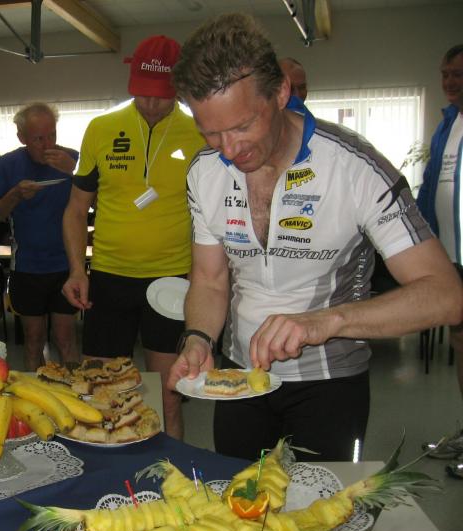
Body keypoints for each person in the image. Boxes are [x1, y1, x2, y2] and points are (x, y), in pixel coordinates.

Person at [168, 14, 463, 461]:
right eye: (210, 132)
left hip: (331, 381)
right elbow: (209, 280)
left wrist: (325, 322)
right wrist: (198, 339)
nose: (228, 149)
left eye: (243, 126)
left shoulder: (355, 168)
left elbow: (446, 295)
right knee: (237, 498)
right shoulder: (203, 172)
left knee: (325, 504)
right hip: (240, 379)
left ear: (281, 92)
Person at [62, 36, 206, 439]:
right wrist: (77, 270)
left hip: (172, 279)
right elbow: (76, 209)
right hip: (110, 278)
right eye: (143, 93)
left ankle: (172, 469)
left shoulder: (199, 132)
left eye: (161, 95)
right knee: (99, 392)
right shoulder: (101, 129)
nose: (151, 104)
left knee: (169, 393)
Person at [0, 103, 79, 371]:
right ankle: (36, 393)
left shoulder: (71, 159)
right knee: (33, 341)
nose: (48, 145)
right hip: (27, 267)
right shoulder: (9, 164)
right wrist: (14, 195)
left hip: (66, 265)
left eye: (52, 135)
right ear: (22, 138)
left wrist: (74, 171)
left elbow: (99, 200)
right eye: (39, 139)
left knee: (66, 338)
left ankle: (76, 392)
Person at [416, 44, 463, 463]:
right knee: (461, 344)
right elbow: (431, 187)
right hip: (452, 260)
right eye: (445, 73)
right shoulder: (448, 124)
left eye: (458, 74)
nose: (449, 82)